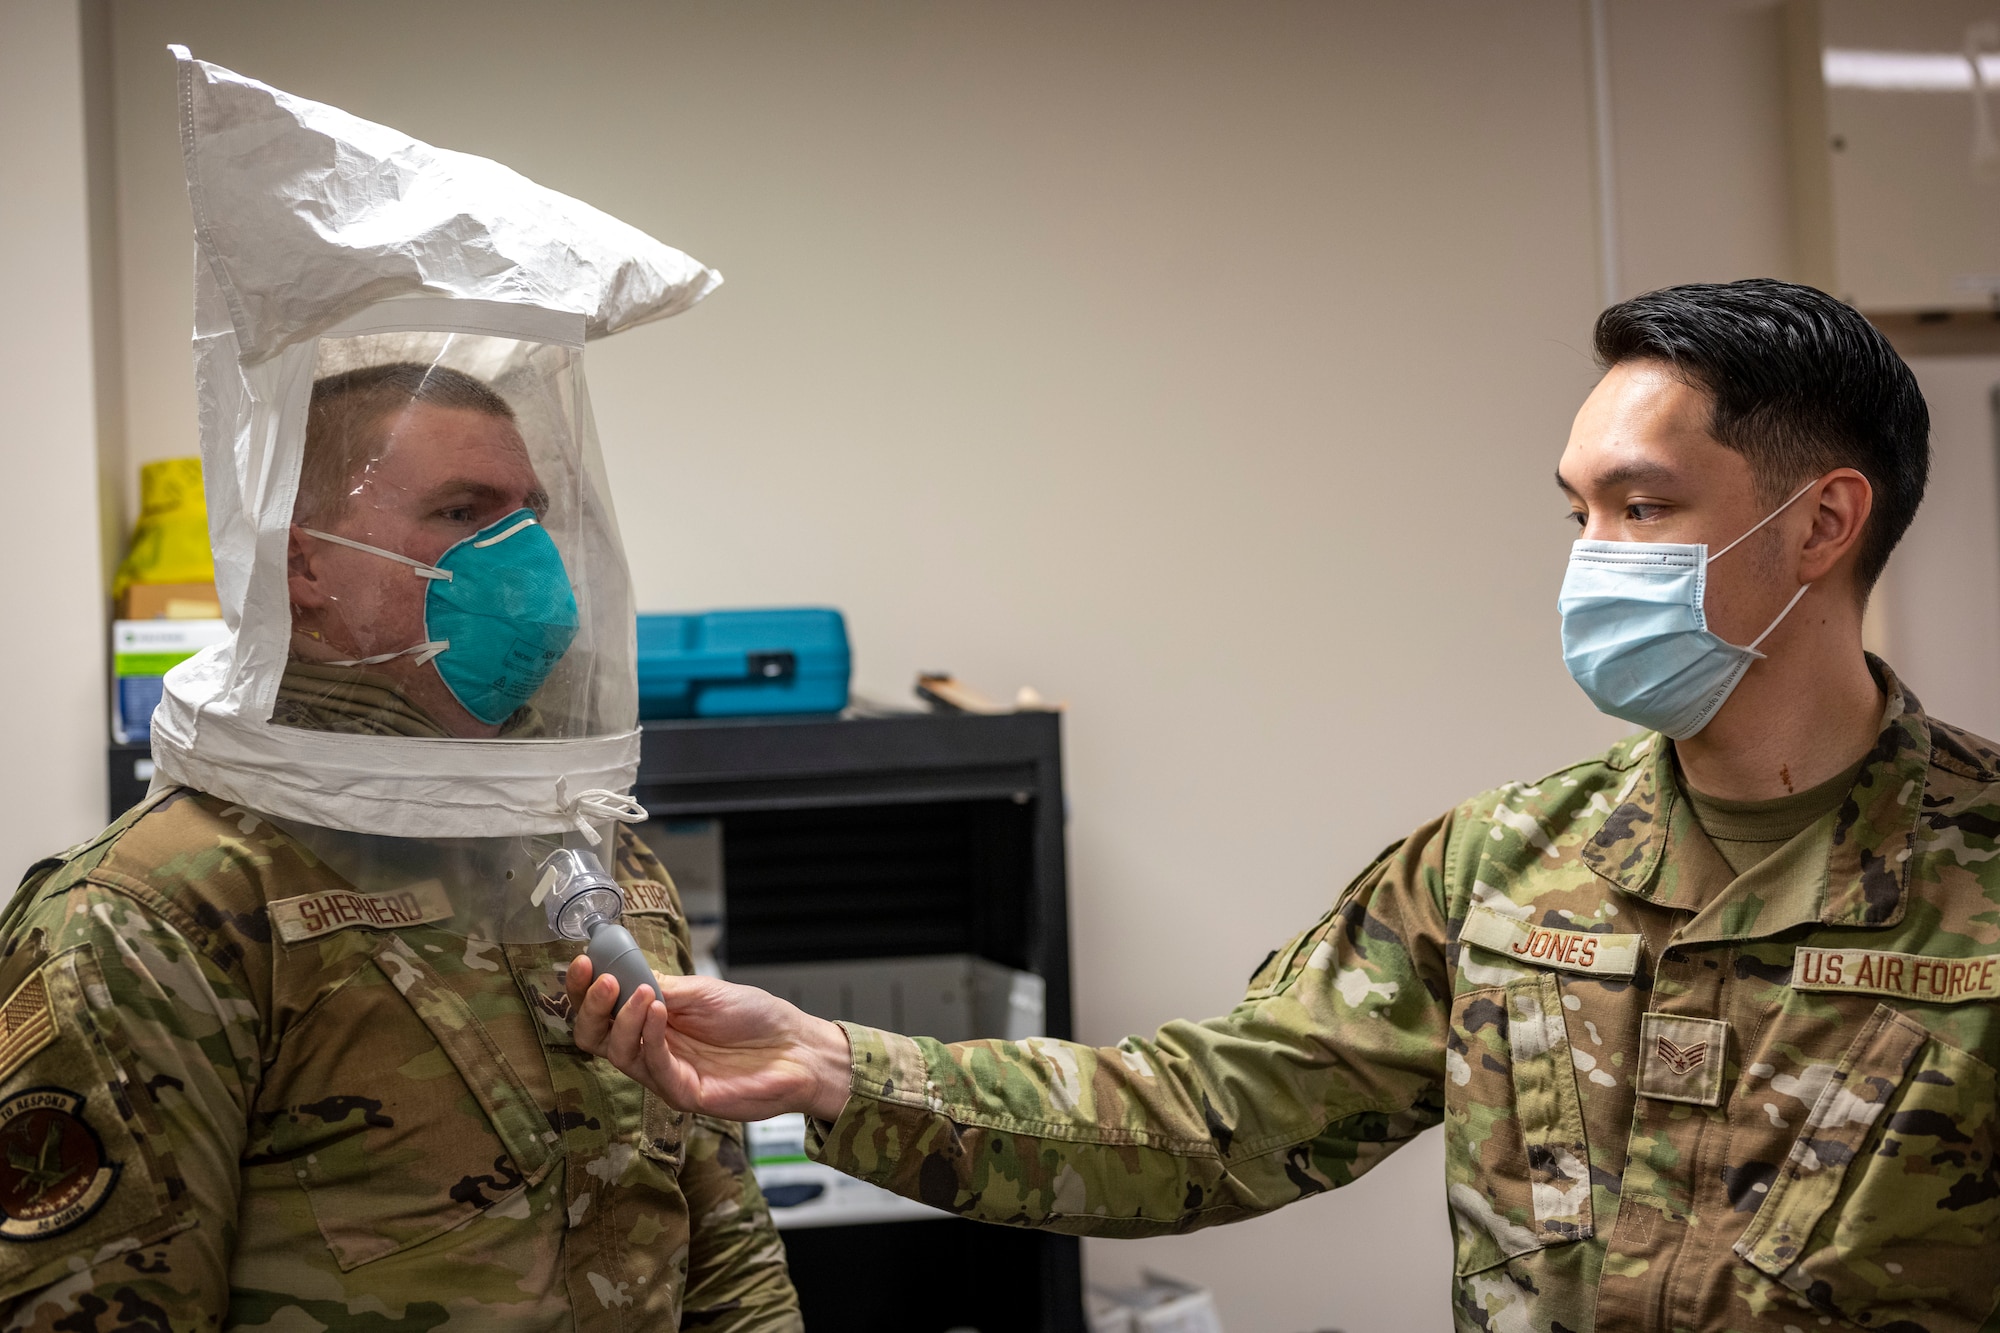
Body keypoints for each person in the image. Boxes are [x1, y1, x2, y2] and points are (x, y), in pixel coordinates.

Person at [570, 280, 2000, 1332]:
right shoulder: (1506, 866)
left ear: (1820, 524)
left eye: (1642, 508)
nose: (1591, 558)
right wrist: (835, 1069)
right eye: (1577, 512)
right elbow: (1208, 1117)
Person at [0, 365, 803, 1330]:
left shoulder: (589, 857)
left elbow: (724, 1249)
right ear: (304, 566)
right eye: (465, 512)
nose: (525, 557)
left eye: (530, 513)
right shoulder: (157, 911)